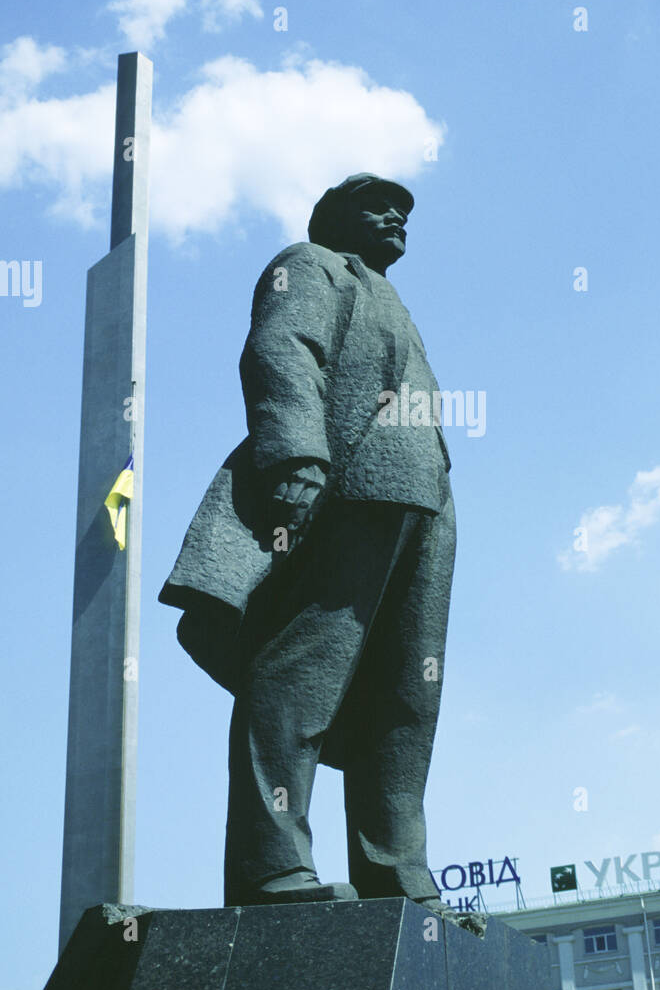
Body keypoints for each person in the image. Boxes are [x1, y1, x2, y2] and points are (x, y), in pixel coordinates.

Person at [159, 174, 458, 915]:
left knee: (407, 697)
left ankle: (397, 873)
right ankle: (273, 866)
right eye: (376, 206)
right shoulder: (311, 264)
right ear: (333, 219)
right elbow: (283, 348)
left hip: (425, 501)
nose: (395, 217)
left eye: (403, 210)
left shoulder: (390, 297)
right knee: (301, 674)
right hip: (351, 487)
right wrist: (295, 454)